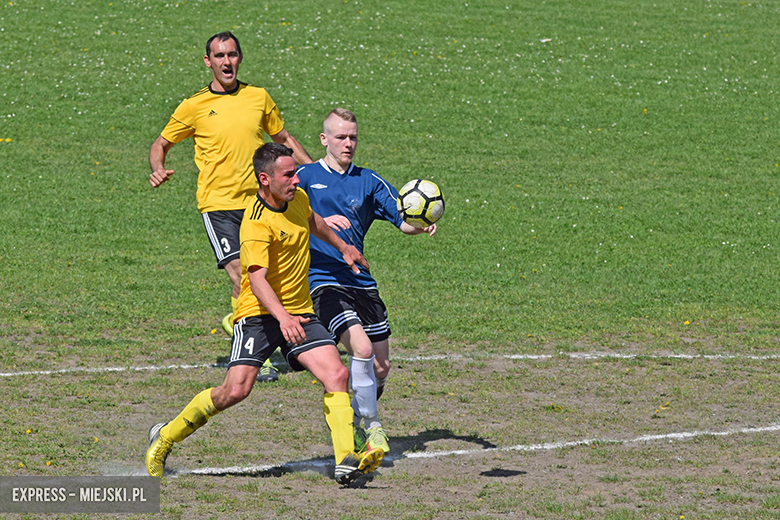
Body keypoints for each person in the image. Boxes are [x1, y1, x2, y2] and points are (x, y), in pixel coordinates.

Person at [145, 143, 385, 485]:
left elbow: (314, 221)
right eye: (288, 175)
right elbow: (255, 280)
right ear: (264, 179)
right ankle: (165, 436)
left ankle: (345, 458)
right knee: (235, 391)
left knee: (337, 375)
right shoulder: (256, 223)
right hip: (258, 314)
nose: (296, 180)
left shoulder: (296, 199)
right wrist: (282, 319)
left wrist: (344, 247)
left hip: (299, 311)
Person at [148, 31, 312, 382]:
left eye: (232, 55)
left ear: (240, 57)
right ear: (208, 61)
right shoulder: (193, 105)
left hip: (259, 202)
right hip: (218, 204)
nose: (227, 62)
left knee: (260, 277)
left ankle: (245, 328)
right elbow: (161, 143)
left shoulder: (258, 97)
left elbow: (282, 139)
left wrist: (313, 172)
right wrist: (157, 168)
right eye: (219, 56)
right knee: (241, 275)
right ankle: (256, 350)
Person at [297, 108, 437, 456]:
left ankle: (353, 420)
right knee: (359, 348)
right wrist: (318, 220)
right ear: (324, 139)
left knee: (380, 365)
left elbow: (400, 218)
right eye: (341, 137)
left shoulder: (369, 181)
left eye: (353, 137)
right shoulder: (303, 176)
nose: (348, 144)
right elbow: (281, 213)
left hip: (361, 281)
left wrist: (417, 225)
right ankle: (374, 428)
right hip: (323, 280)